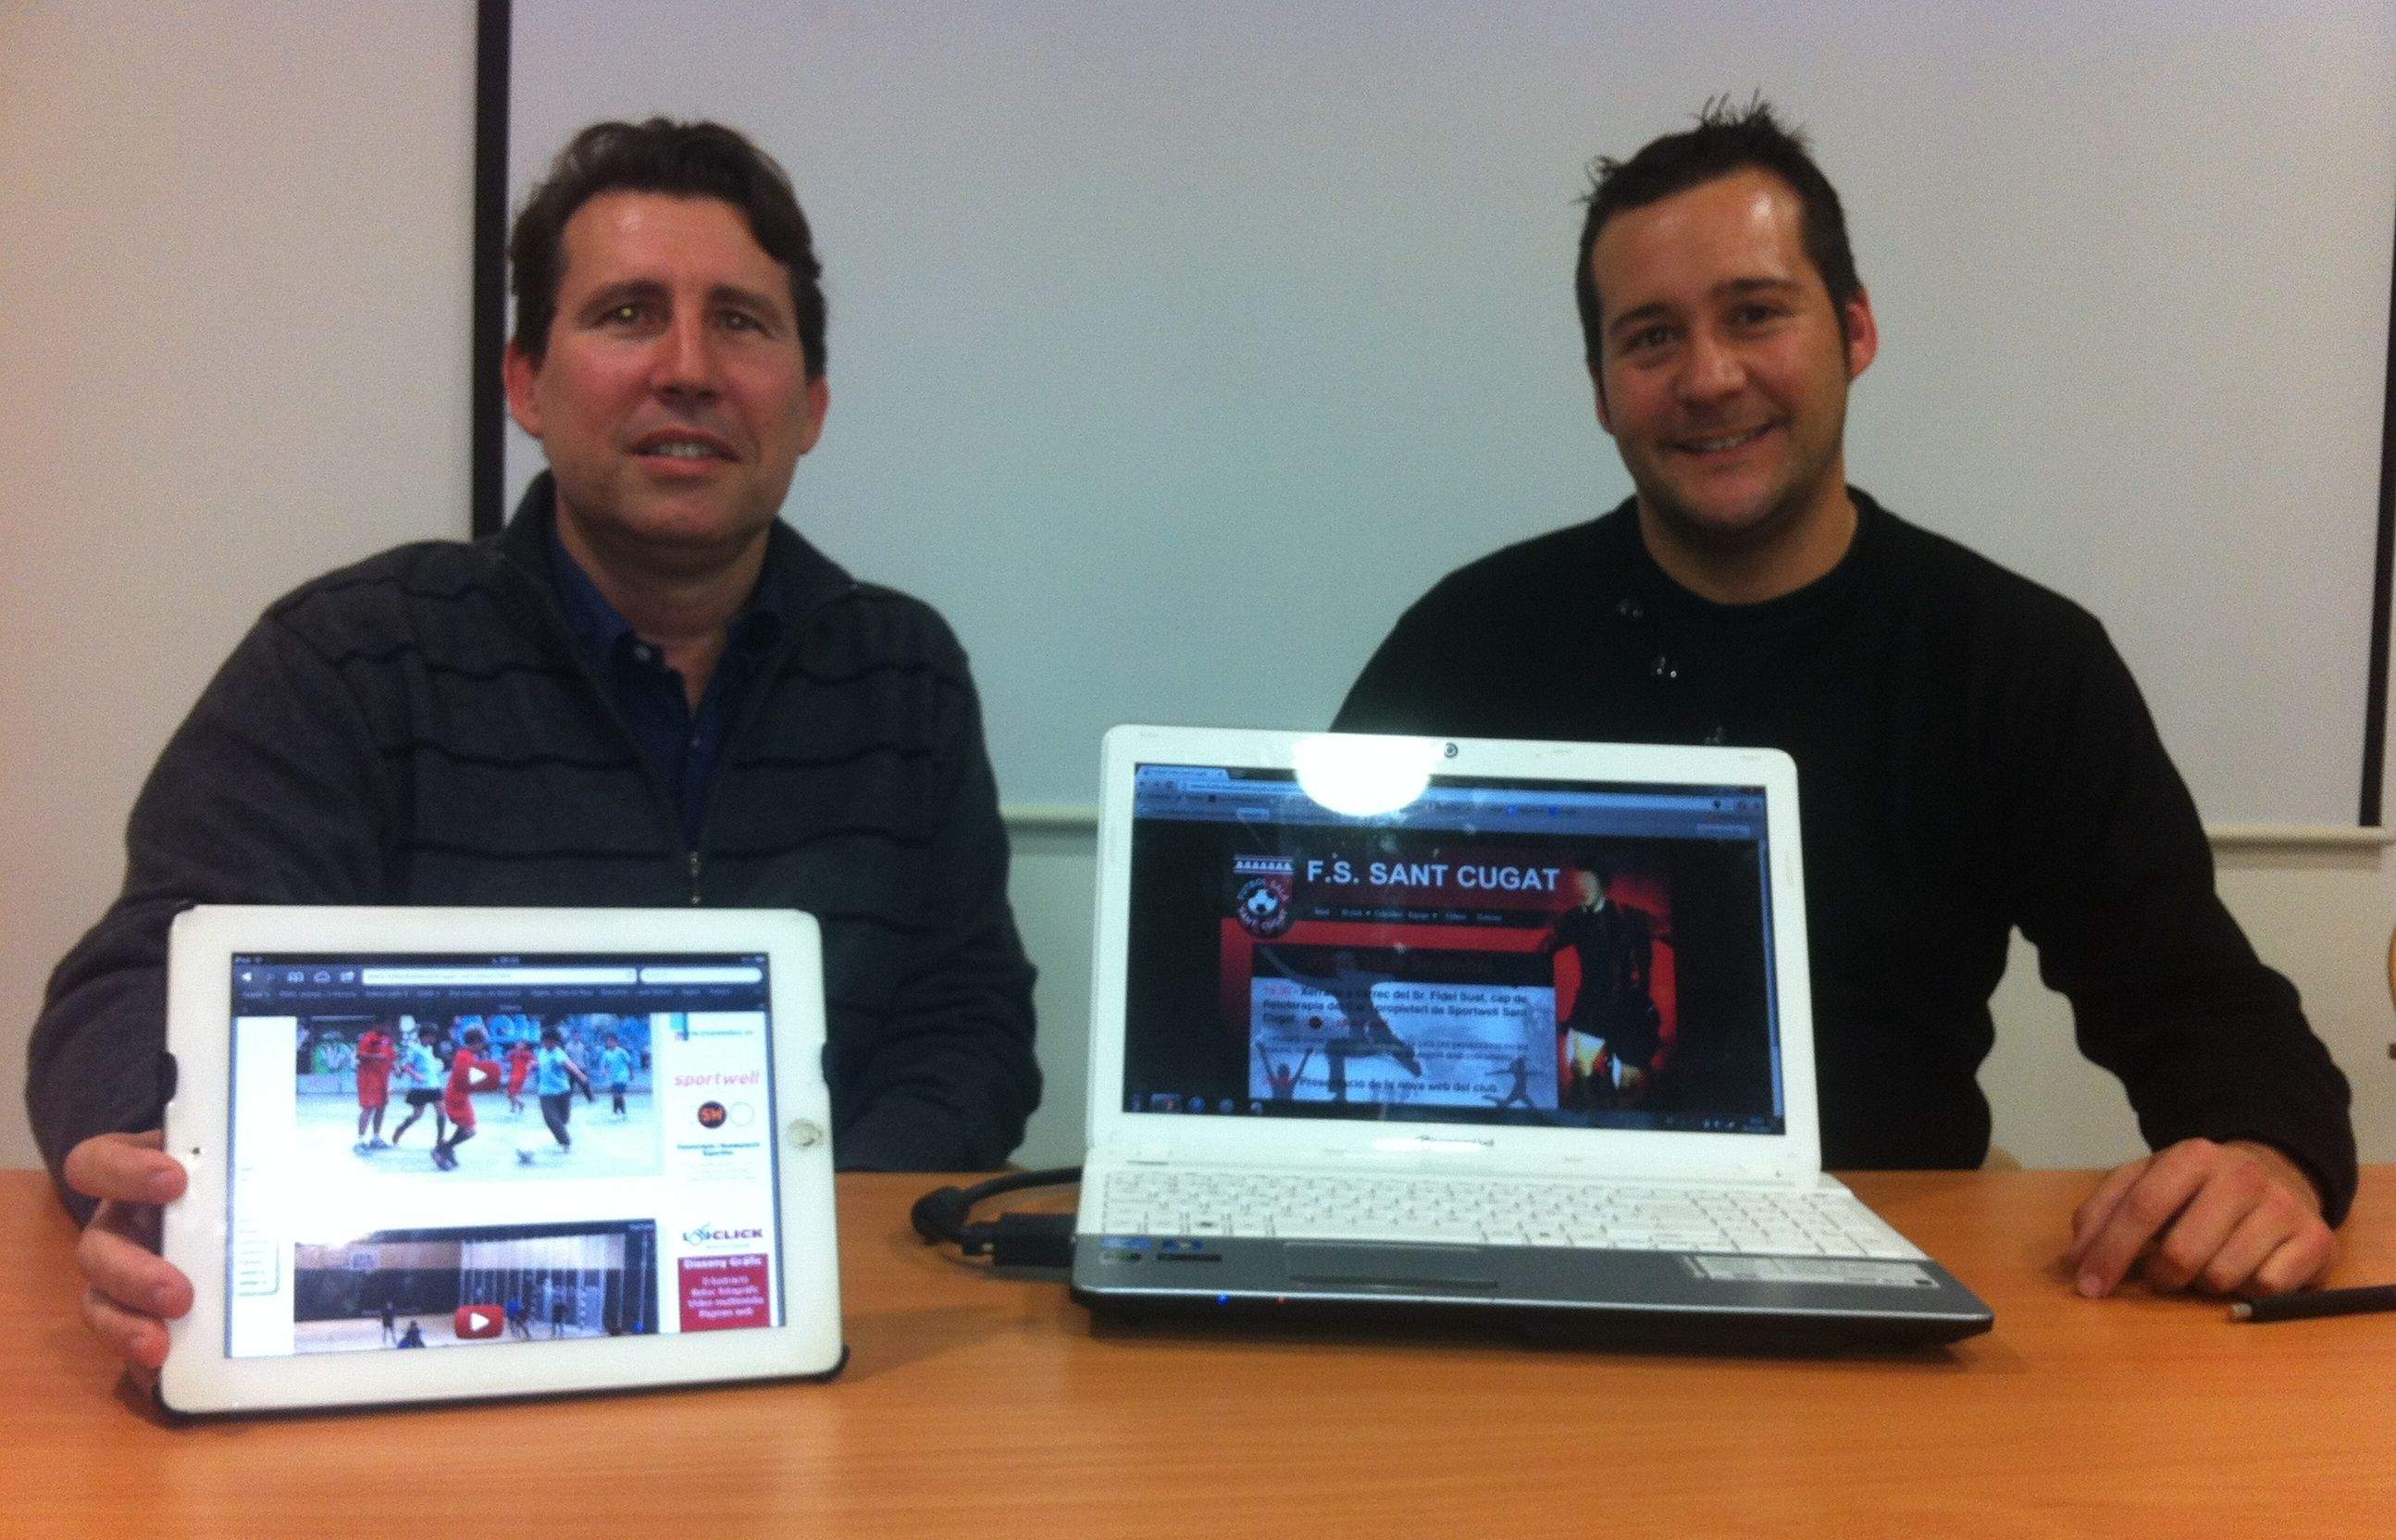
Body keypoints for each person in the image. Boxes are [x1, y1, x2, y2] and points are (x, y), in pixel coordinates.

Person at [35, 118, 1041, 1375]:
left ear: (811, 404)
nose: (688, 368)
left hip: (807, 1346)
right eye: (626, 314)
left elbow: (971, 1023)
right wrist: (156, 1177)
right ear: (525, 383)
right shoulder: (350, 660)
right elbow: (134, 988)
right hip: (422, 1360)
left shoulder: (903, 674)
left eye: (740, 321)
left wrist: (796, 1231)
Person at [1334, 98, 2356, 1300]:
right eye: (1650, 338)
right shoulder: (1469, 639)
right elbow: (1335, 938)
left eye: (1755, 314)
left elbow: (2198, 1002)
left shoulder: (2013, 658)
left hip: (1884, 1285)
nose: (1708, 378)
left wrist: (2262, 1156)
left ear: (1856, 329)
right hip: (1504, 1269)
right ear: (1602, 390)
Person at [1538, 862, 1661, 1107]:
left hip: (1631, 1011)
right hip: (1592, 1008)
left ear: (1602, 883)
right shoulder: (1574, 919)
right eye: (1578, 883)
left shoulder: (1632, 916)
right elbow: (1545, 946)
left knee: (1631, 1088)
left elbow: (1649, 954)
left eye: (1588, 882)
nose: (1581, 889)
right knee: (1582, 1073)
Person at [430, 1026, 503, 1172]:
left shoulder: (465, 1054)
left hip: (460, 1096)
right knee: (470, 1130)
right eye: (482, 1042)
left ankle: (447, 1149)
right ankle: (442, 1149)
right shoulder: (465, 1056)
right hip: (457, 1097)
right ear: (476, 1042)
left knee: (465, 1128)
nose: (483, 1045)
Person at [384, 1025, 448, 1152]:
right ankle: (400, 1129)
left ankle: (440, 1139)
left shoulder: (429, 1049)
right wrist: (416, 1075)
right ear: (425, 1036)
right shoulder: (414, 1049)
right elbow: (406, 1066)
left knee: (441, 1111)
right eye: (432, 1037)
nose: (434, 1040)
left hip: (433, 1086)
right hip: (420, 1087)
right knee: (417, 1115)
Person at [352, 1022, 397, 1152]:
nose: (389, 1027)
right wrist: (375, 1056)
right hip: (368, 1080)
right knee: (368, 1108)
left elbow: (391, 1057)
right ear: (379, 1024)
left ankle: (376, 1138)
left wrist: (397, 1069)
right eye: (387, 1024)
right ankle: (360, 1141)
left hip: (383, 1080)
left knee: (381, 1108)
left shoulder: (388, 1040)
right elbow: (360, 1055)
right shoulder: (369, 1037)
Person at [597, 1032, 635, 1119]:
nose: (608, 1043)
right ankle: (620, 1113)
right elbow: (604, 1064)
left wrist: (632, 1073)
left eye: (610, 1041)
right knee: (615, 1095)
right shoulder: (606, 1053)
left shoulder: (621, 1052)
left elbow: (629, 1062)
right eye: (607, 1041)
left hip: (622, 1075)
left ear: (615, 1042)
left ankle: (618, 1112)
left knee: (618, 1095)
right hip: (613, 1077)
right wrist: (604, 1071)